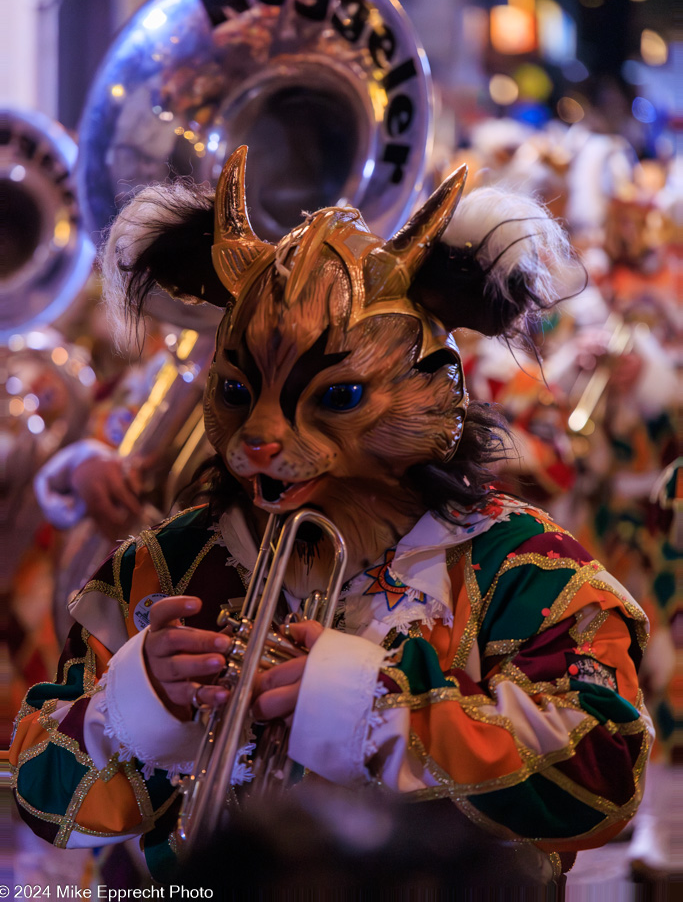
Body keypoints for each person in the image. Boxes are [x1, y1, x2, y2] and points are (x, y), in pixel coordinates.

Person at [11, 148, 652, 889]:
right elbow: (42, 794)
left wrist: (374, 713)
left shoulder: (528, 568)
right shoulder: (160, 568)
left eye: (338, 396)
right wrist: (132, 704)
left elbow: (601, 777)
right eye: (236, 390)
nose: (260, 436)